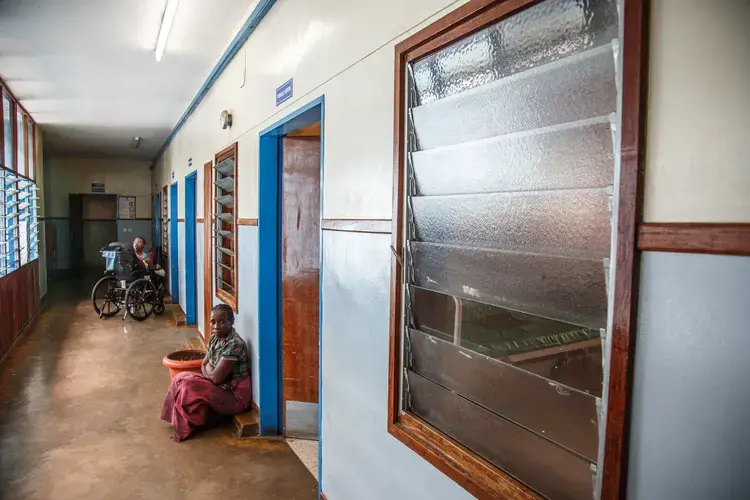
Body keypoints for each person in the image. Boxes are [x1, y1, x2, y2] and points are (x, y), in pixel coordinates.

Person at [160, 304, 252, 441]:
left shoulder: (235, 344)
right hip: (220, 386)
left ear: (231, 322)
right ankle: (179, 419)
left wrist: (208, 371)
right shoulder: (215, 338)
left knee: (188, 386)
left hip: (234, 396)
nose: (216, 326)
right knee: (180, 378)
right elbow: (204, 363)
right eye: (213, 322)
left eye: (222, 322)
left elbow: (215, 378)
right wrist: (209, 371)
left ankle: (187, 426)